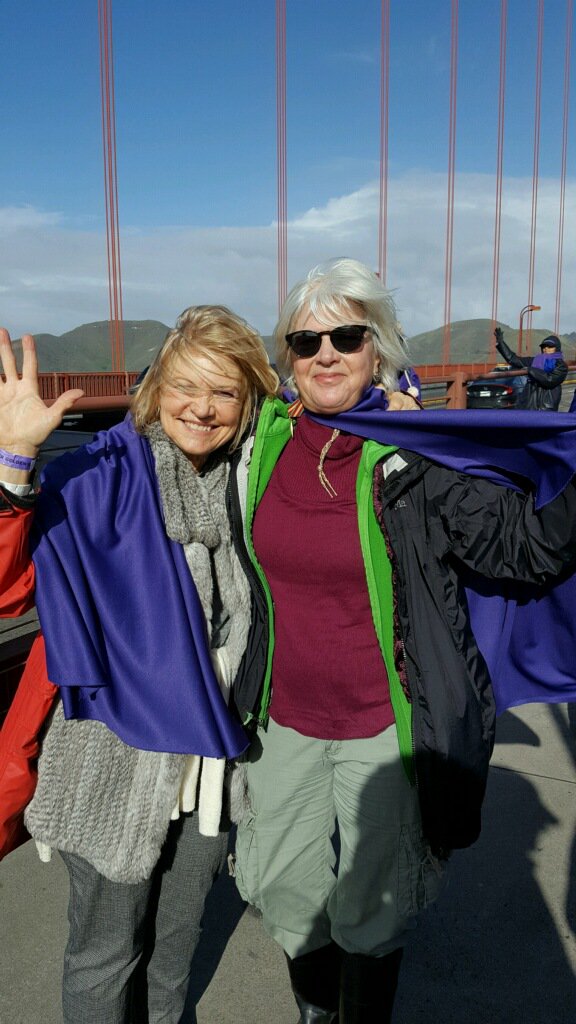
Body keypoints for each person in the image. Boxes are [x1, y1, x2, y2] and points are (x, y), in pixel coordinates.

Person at [231, 258, 576, 1023]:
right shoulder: (257, 450)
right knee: (285, 891)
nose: (326, 353)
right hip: (284, 718)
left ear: (377, 349)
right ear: (286, 357)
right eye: (306, 338)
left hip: (383, 725)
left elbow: (525, 548)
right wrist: (18, 472)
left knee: (369, 908)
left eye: (346, 337)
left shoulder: (412, 461)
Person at [0, 307, 279, 1024]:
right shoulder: (97, 475)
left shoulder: (253, 484)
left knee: (176, 944)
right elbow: (9, 588)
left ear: (248, 403)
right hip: (113, 759)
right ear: (156, 389)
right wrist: (13, 469)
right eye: (186, 384)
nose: (202, 407)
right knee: (104, 952)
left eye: (224, 392)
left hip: (214, 763)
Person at [495, 327, 568, 410]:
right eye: (543, 346)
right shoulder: (535, 361)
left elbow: (549, 380)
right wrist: (501, 343)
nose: (546, 349)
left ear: (556, 348)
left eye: (550, 346)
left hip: (546, 408)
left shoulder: (561, 365)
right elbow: (513, 359)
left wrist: (530, 370)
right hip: (528, 405)